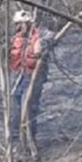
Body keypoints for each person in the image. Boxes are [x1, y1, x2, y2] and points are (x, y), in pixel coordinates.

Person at [6, 10, 55, 148]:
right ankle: (17, 141)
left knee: (28, 107)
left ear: (28, 23)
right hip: (17, 77)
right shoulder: (13, 38)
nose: (18, 28)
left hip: (34, 76)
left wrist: (41, 43)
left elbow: (52, 37)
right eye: (17, 24)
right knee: (15, 108)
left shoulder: (41, 34)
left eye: (21, 24)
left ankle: (30, 139)